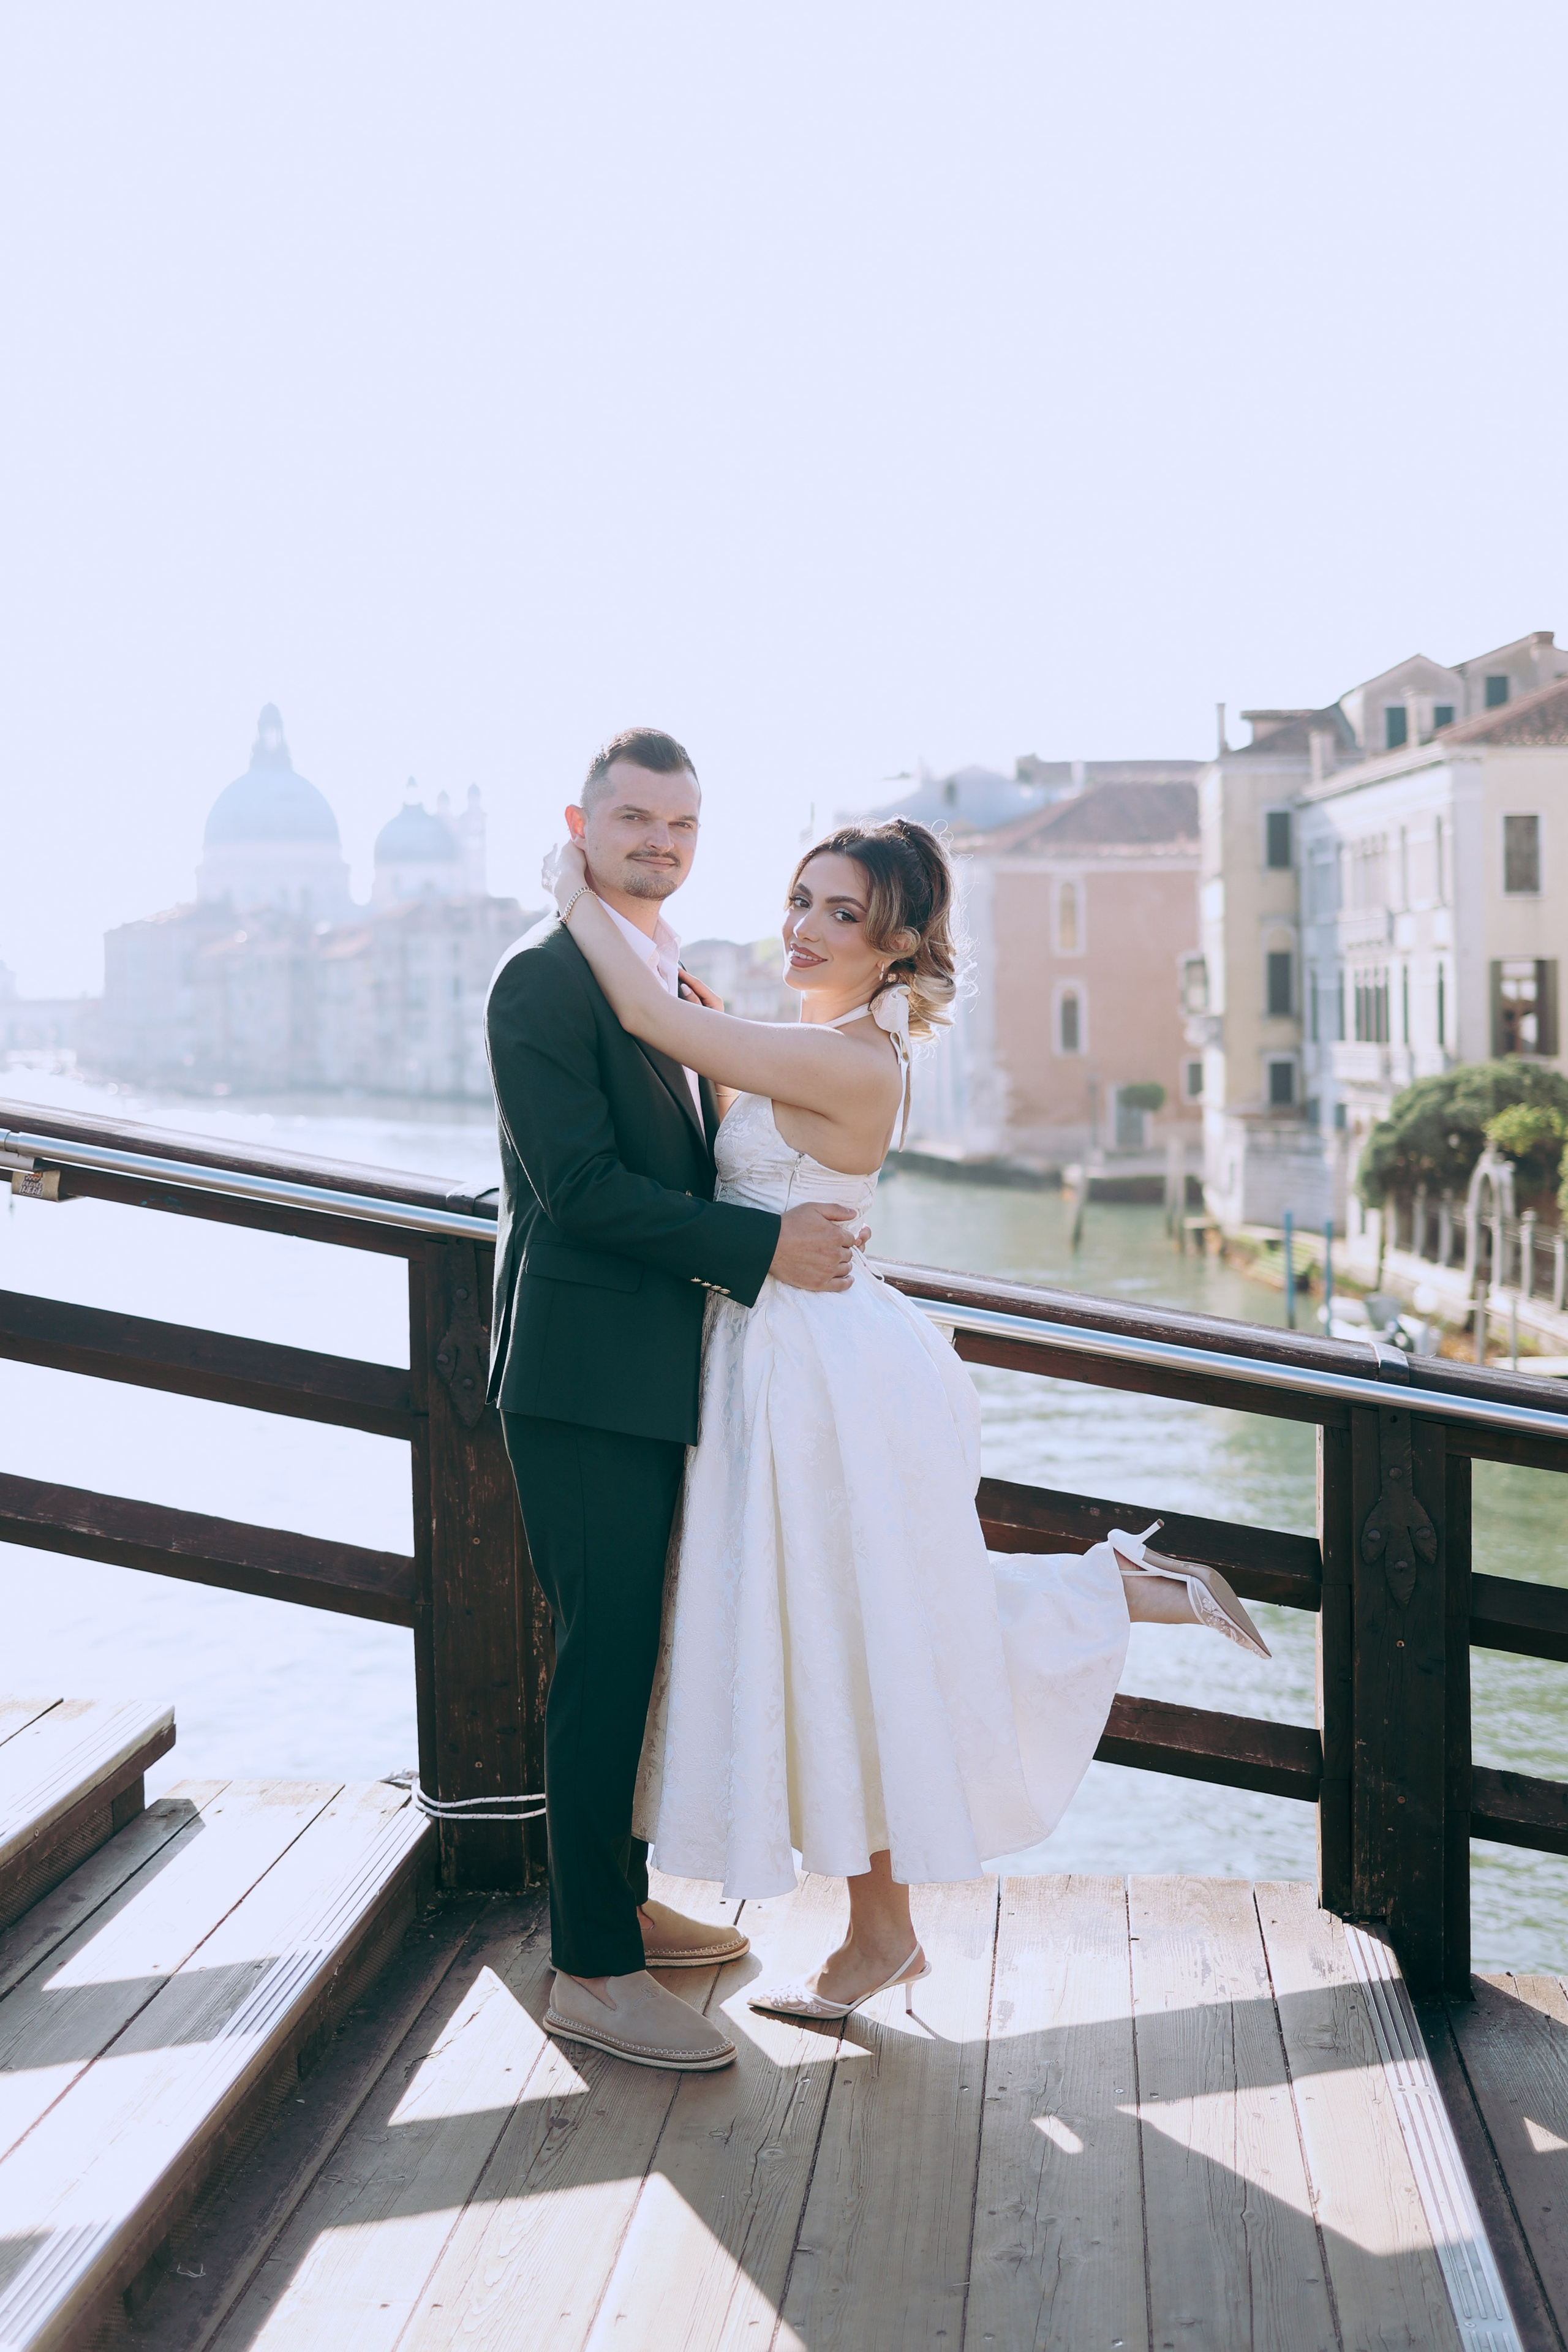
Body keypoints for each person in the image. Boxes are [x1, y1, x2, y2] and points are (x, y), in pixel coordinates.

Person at [545, 810, 1270, 2022]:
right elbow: (694, 1027)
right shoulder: (822, 1037)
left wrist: (575, 893)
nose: (805, 926)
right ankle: (881, 1928)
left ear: (897, 949)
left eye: (842, 915)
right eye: (801, 898)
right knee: (841, 1638)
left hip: (810, 1374)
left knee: (844, 1631)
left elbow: (657, 1023)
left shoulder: (845, 1059)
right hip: (795, 1355)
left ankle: (1115, 1593)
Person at [485, 728, 872, 2075]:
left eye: (681, 825)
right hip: (583, 1384)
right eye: (635, 819)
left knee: (643, 1653)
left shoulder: (667, 977)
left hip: (661, 1375)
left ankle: (620, 1900)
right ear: (578, 824)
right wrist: (764, 1252)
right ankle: (589, 1969)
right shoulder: (540, 985)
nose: (660, 842)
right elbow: (578, 1190)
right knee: (601, 1661)